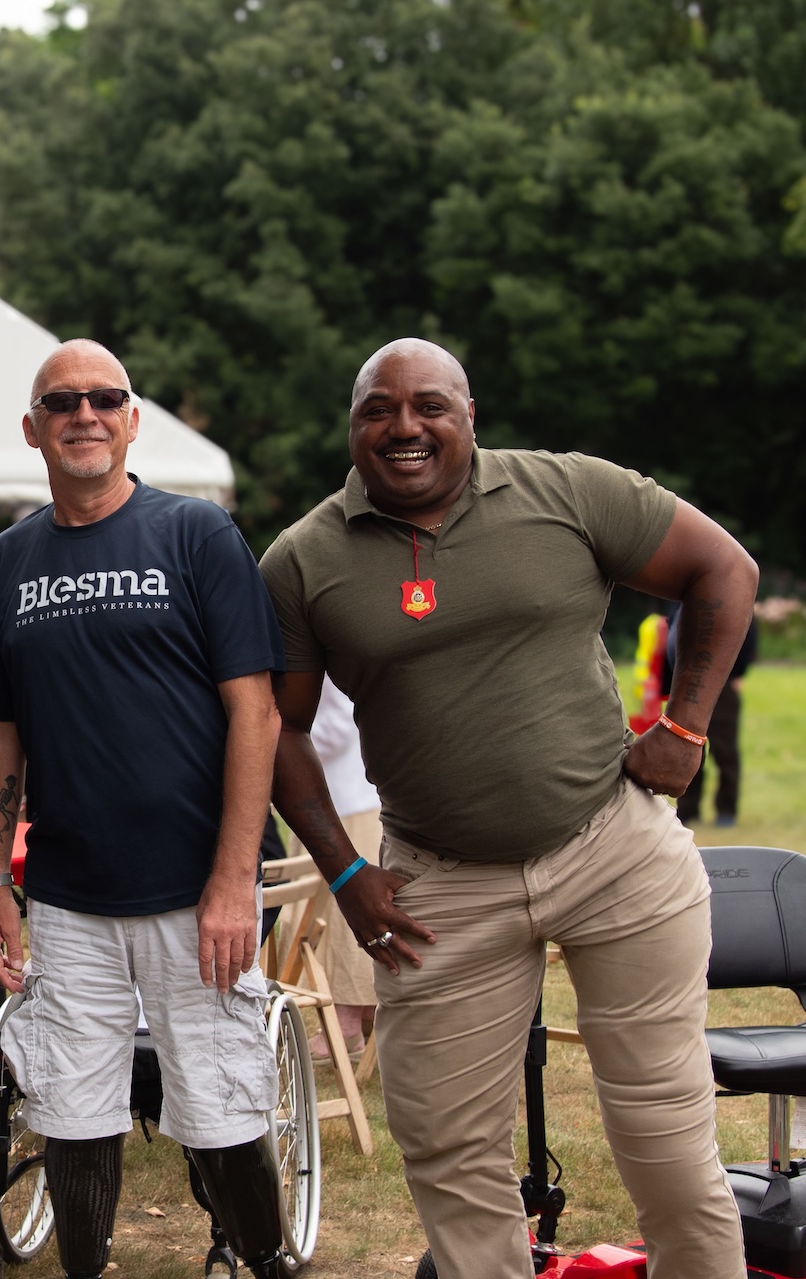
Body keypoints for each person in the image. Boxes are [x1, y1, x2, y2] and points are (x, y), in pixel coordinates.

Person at [260, 337, 756, 1279]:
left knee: (668, 1141)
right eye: (379, 410)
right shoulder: (302, 559)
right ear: (354, 426)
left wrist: (685, 729)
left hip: (614, 848)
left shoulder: (567, 491)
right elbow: (279, 731)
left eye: (430, 406)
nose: (405, 427)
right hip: (437, 886)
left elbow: (723, 569)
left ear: (470, 415)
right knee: (448, 1150)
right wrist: (348, 872)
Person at [0, 340, 291, 1279]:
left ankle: (262, 1259)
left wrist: (235, 878)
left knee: (222, 1104)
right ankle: (84, 1268)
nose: (84, 414)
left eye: (104, 397)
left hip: (200, 890)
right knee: (73, 1107)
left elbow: (255, 711)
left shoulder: (198, 535)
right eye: (61, 401)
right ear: (32, 429)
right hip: (69, 892)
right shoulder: (7, 564)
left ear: (132, 418)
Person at [303, 676, 377, 1057]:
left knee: (343, 915)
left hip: (346, 797)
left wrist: (282, 746)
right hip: (348, 795)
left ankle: (347, 1026)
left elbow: (338, 723)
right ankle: (359, 1020)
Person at [667, 608, 758, 827]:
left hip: (722, 683)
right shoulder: (678, 602)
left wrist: (738, 674)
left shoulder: (726, 596)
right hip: (684, 684)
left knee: (725, 751)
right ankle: (687, 810)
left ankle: (726, 811)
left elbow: (748, 632)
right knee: (688, 747)